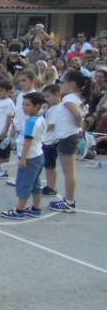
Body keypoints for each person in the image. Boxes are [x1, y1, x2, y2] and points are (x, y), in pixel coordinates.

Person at [0, 92, 46, 220]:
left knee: (24, 183)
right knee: (35, 183)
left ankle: (19, 210)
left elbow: (28, 140)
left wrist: (23, 158)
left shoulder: (31, 122)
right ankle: (36, 208)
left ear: (37, 106)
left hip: (30, 157)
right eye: (23, 104)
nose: (24, 107)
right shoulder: (40, 119)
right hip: (38, 155)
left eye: (28, 105)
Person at [48, 70, 87, 213]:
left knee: (69, 172)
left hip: (67, 137)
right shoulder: (77, 98)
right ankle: (68, 200)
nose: (62, 85)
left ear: (71, 83)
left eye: (64, 82)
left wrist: (77, 125)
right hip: (70, 136)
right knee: (70, 171)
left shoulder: (69, 98)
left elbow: (78, 115)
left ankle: (69, 202)